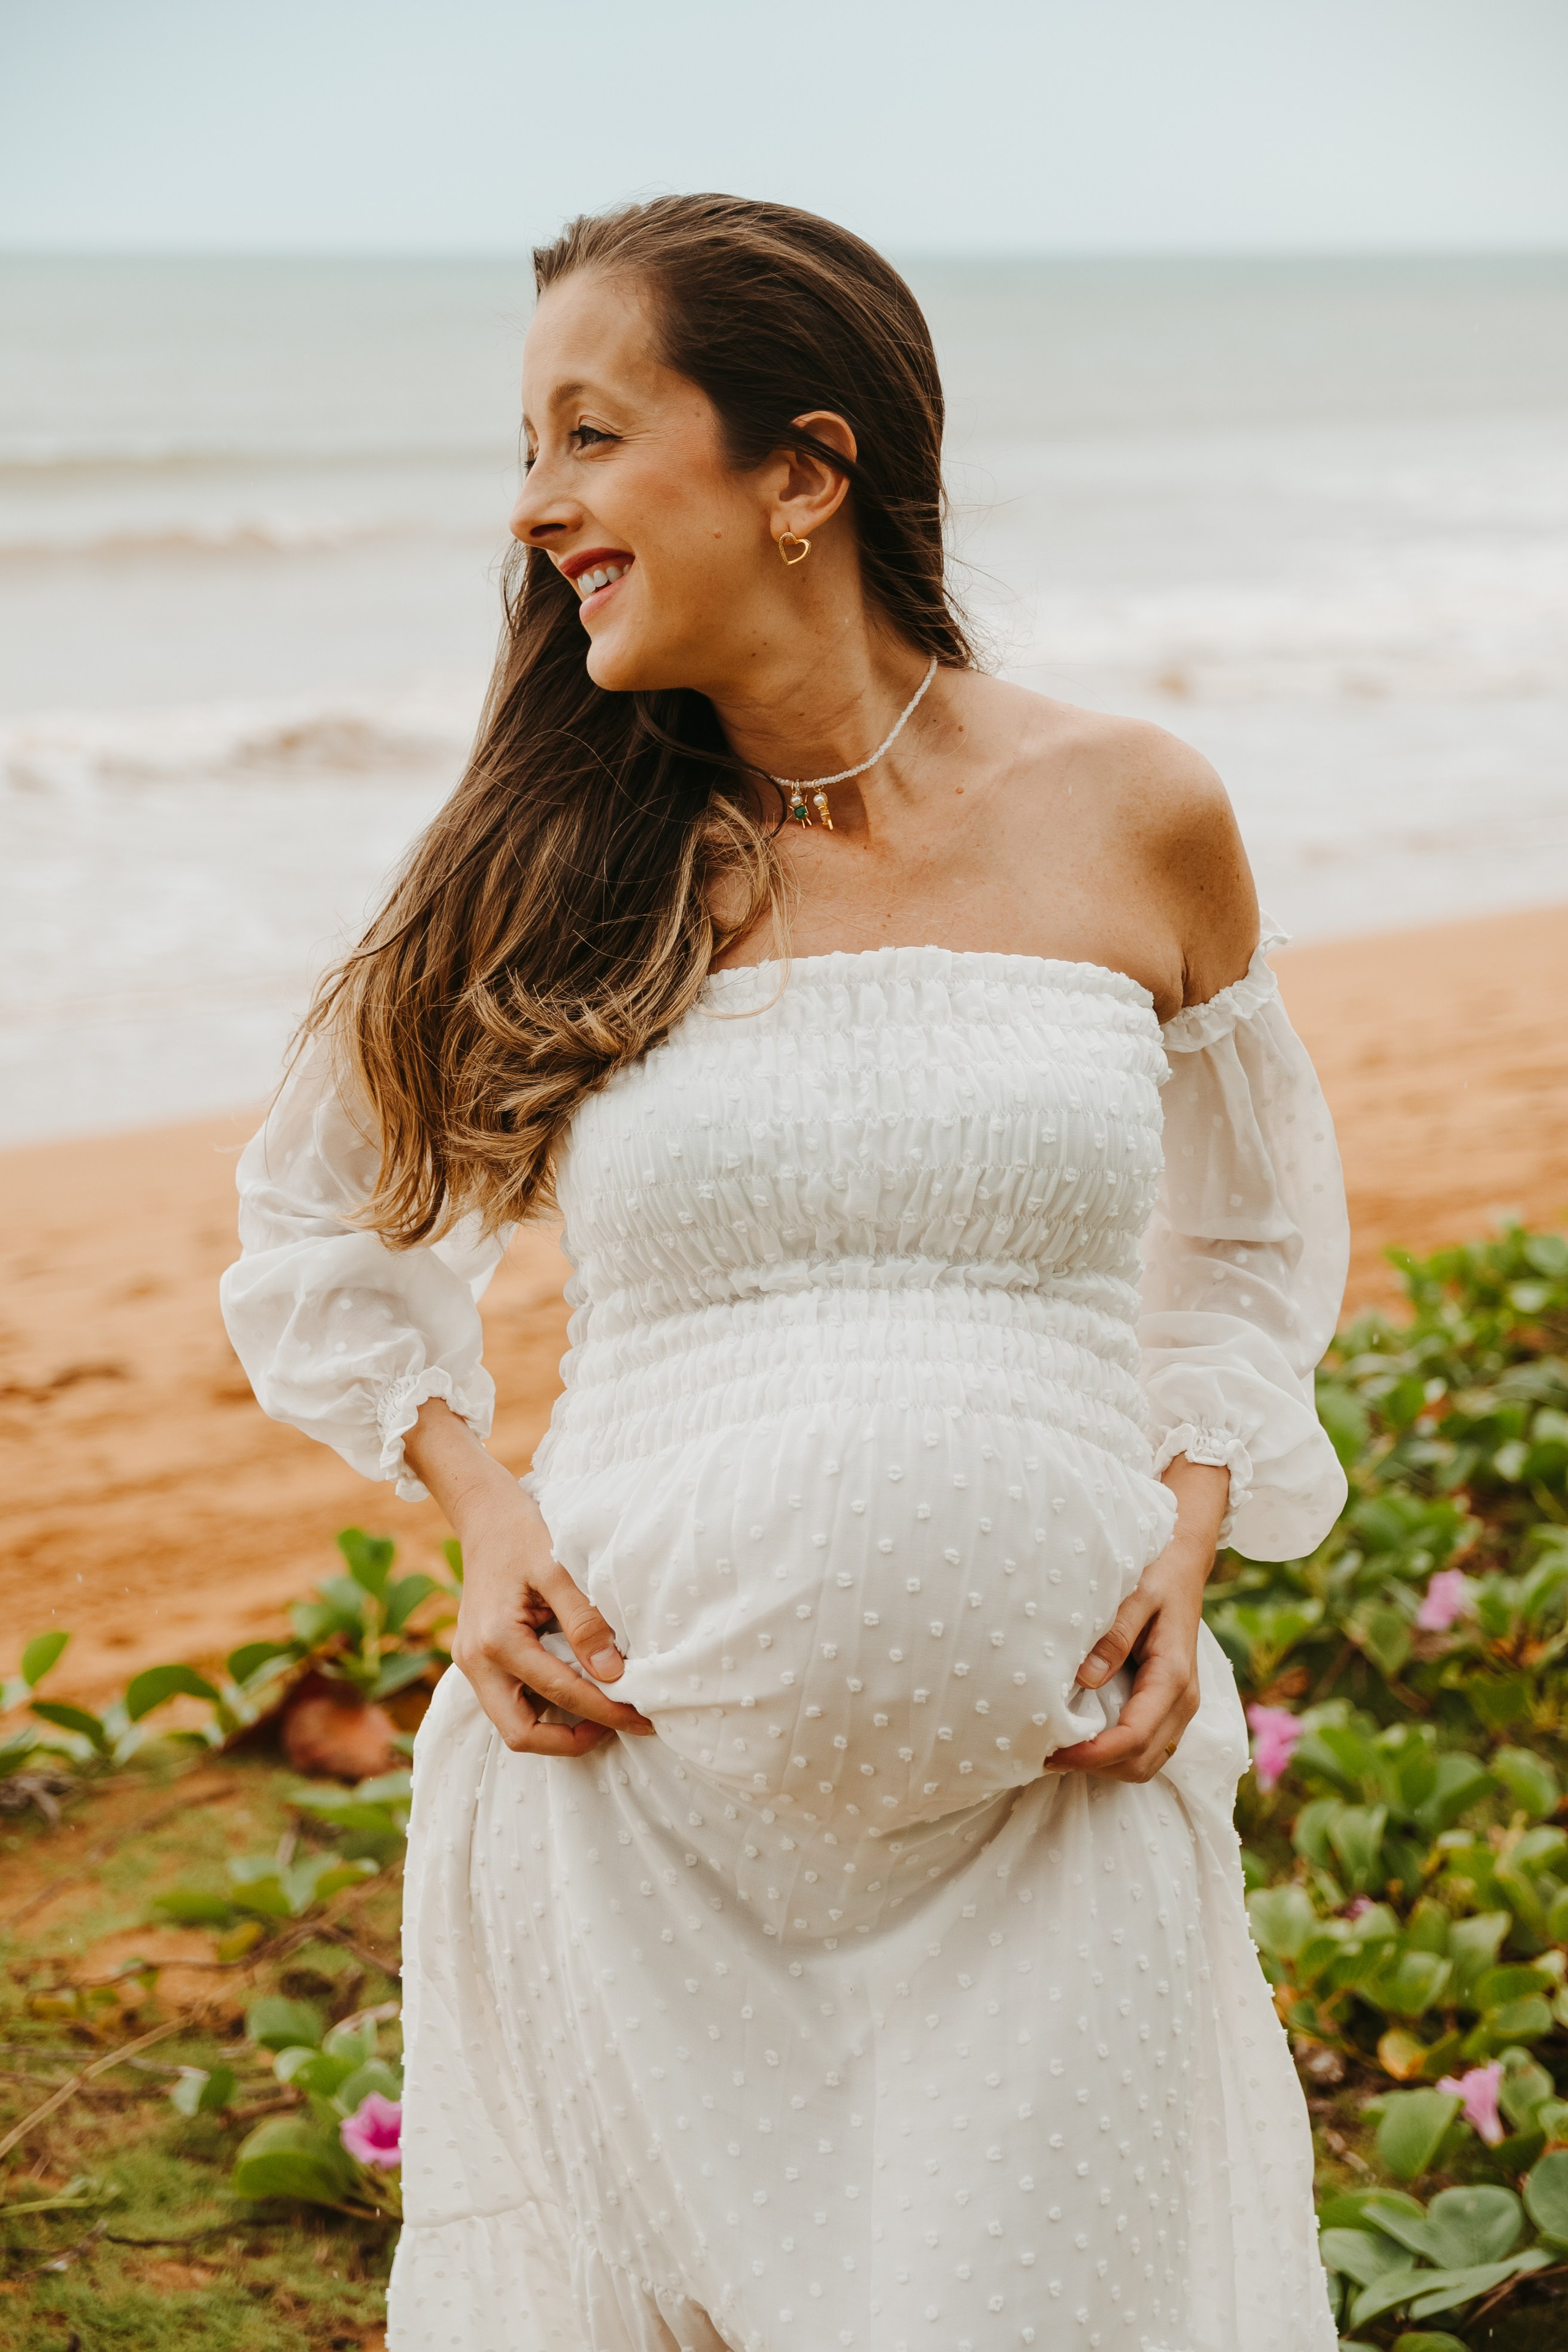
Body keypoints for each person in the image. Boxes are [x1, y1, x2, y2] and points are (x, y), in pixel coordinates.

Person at [221, 195, 1348, 2352]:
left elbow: (1251, 1227)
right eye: (523, 444)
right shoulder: (552, 860)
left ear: (802, 473)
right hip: (634, 1827)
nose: (536, 506)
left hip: (1052, 1814)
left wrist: (1192, 1528)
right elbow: (319, 1225)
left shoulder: (1136, 812)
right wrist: (482, 1517)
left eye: (588, 432)